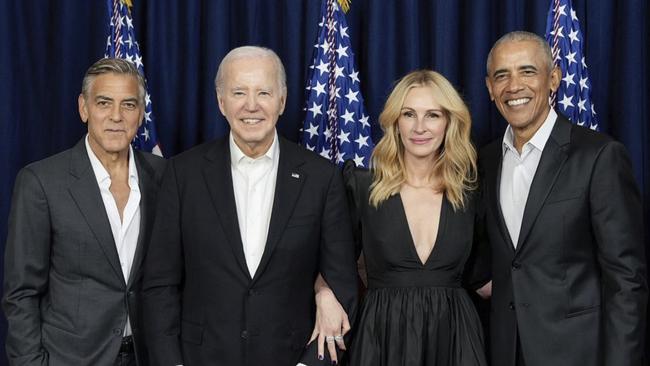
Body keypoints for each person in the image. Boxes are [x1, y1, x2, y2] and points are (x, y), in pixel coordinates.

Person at [140, 46, 358, 366]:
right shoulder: (182, 174)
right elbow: (160, 285)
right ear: (221, 101)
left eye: (264, 92)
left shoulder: (321, 178)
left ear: (282, 101)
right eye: (239, 92)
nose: (251, 105)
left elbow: (342, 287)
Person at [481, 30, 647, 366]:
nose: (514, 86)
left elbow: (626, 280)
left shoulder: (599, 156)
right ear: (490, 89)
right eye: (502, 75)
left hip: (579, 354)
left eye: (527, 71)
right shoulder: (484, 162)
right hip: (503, 351)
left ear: (553, 79)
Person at [2, 58, 166, 366]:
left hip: (148, 355)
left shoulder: (163, 175)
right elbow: (21, 293)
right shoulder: (41, 182)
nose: (116, 116)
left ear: (141, 113)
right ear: (84, 107)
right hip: (71, 358)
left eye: (129, 105)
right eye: (104, 103)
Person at [336, 70, 488, 365]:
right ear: (395, 122)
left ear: (449, 122)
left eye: (432, 115)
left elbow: (488, 274)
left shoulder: (471, 192)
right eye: (409, 114)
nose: (420, 127)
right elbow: (333, 263)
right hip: (381, 338)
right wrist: (324, 294)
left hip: (455, 339)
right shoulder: (361, 185)